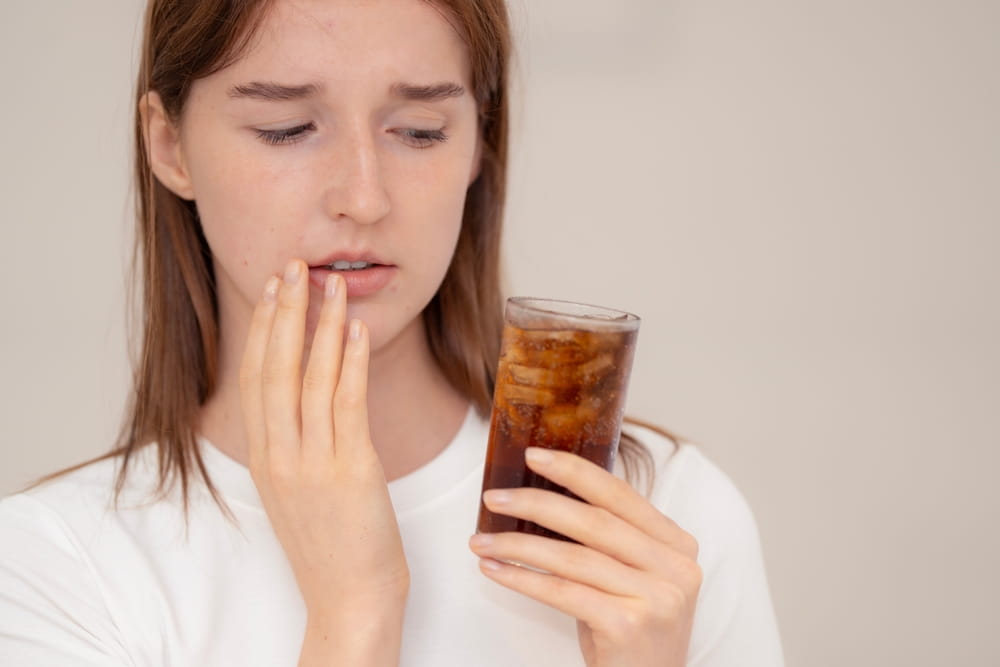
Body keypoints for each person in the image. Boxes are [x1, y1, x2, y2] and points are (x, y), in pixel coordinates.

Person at [0, 0, 784, 665]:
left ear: (481, 140)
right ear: (169, 144)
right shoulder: (54, 567)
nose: (363, 198)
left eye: (418, 131)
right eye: (285, 128)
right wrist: (355, 616)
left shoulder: (663, 523)